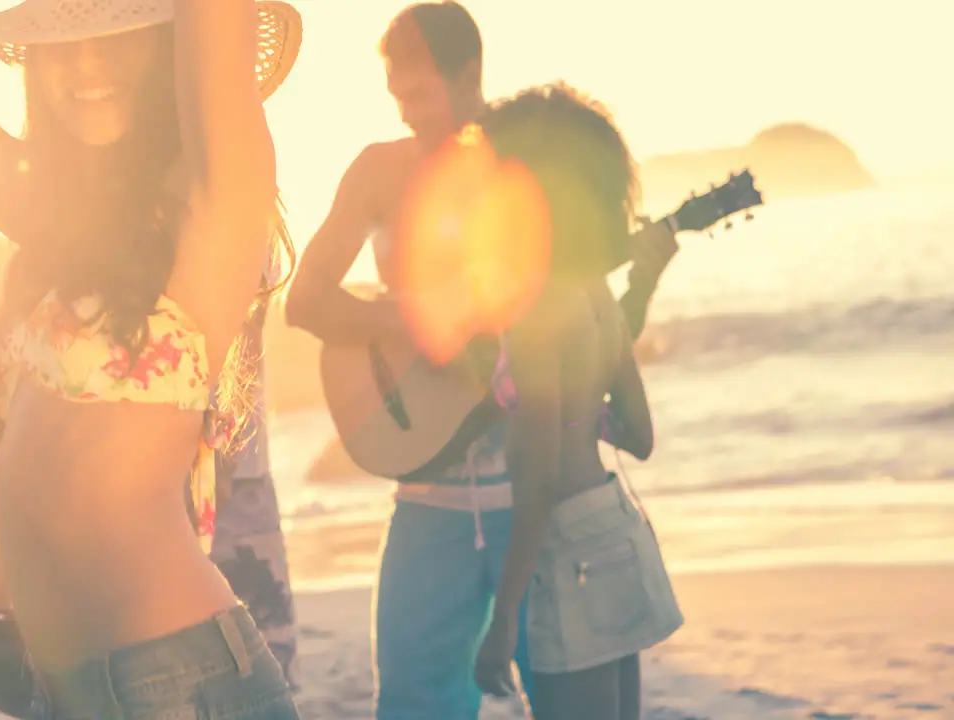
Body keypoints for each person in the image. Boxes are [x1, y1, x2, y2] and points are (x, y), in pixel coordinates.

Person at [0, 0, 305, 716]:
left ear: (167, 53)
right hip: (64, 692)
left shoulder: (212, 203)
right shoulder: (52, 216)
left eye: (115, 39)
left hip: (175, 685)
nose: (85, 64)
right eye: (60, 43)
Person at [284, 3, 678, 718]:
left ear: (470, 76)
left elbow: (584, 344)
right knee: (412, 703)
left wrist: (640, 281)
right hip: (429, 494)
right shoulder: (379, 170)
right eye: (397, 98)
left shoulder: (524, 170)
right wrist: (417, 320)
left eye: (420, 96)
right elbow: (303, 301)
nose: (407, 116)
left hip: (536, 504)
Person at [471, 83, 683, 720]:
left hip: (568, 545)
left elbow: (536, 479)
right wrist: (573, 411)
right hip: (615, 524)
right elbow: (639, 436)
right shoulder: (589, 289)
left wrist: (502, 619)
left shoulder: (537, 309)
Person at [209, 250, 300, 688]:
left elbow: (245, 328)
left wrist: (221, 455)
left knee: (260, 660)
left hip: (229, 471)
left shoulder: (236, 198)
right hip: (165, 468)